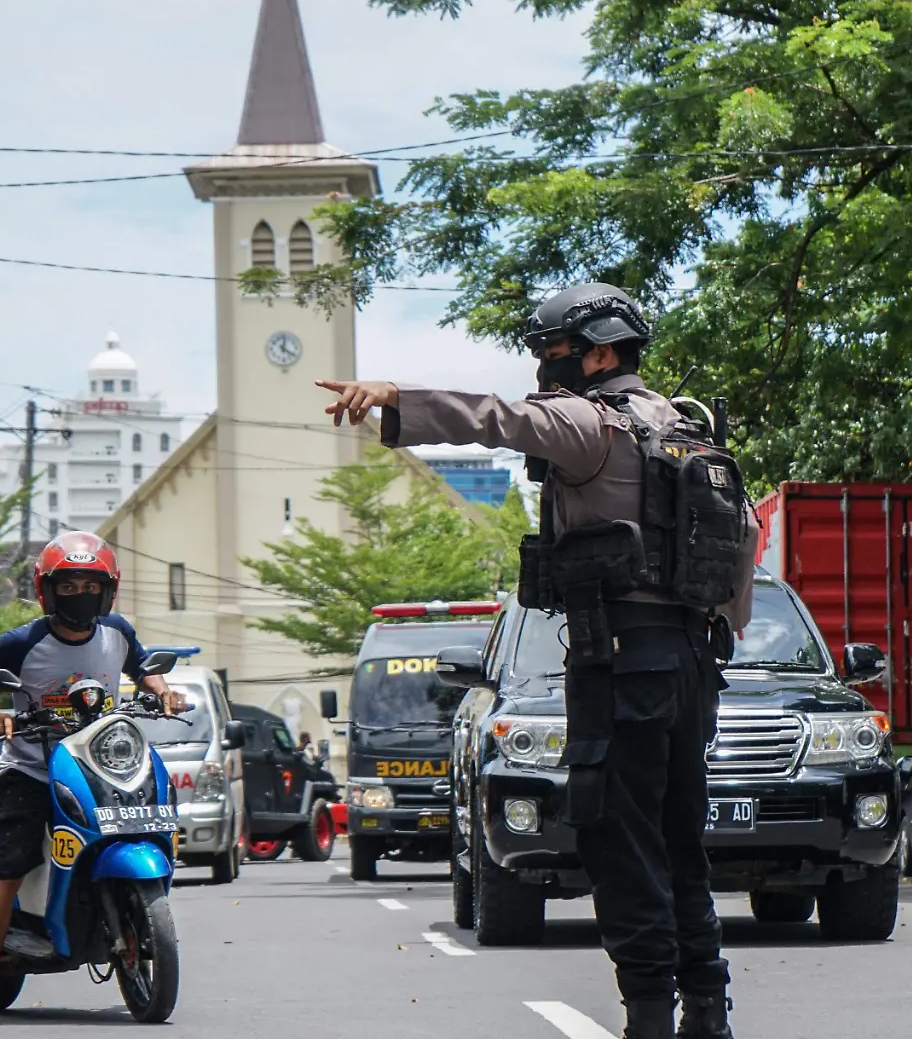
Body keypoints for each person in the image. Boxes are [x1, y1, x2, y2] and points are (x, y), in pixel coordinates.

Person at [318, 282, 759, 1039]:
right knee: (680, 840)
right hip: (691, 663)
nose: (542, 366)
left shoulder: (590, 423)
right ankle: (707, 1012)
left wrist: (397, 398)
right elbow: (744, 537)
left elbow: (498, 419)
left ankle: (650, 1017)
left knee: (619, 844)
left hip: (620, 663)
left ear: (602, 351)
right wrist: (707, 631)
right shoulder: (683, 426)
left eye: (552, 350)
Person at [0, 532, 182, 1024]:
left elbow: (143, 667)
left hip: (97, 762)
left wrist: (164, 692)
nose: (80, 594)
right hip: (31, 769)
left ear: (108, 591)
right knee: (11, 865)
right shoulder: (25, 641)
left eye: (90, 585)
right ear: (48, 591)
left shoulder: (116, 631)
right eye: (69, 585)